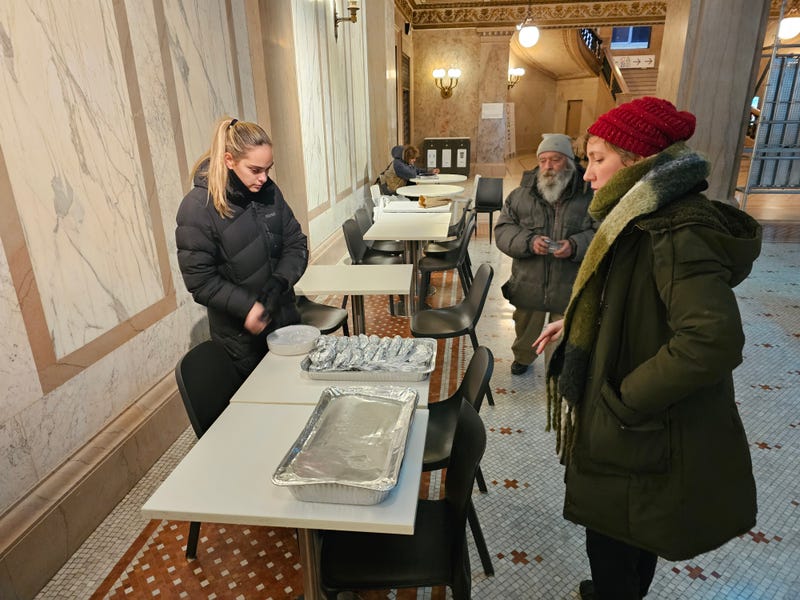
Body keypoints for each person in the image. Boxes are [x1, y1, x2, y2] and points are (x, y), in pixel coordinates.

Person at [533, 97, 761, 600]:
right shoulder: (643, 213)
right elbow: (630, 296)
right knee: (631, 527)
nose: (588, 174)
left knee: (617, 534)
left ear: (635, 161)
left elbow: (711, 340)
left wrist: (625, 400)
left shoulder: (676, 229)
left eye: (597, 159)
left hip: (637, 418)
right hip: (633, 419)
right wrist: (574, 322)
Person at [176, 117, 308, 380]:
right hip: (241, 339)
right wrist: (248, 307)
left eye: (268, 169)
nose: (264, 178)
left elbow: (296, 243)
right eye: (255, 170)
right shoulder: (197, 208)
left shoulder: (269, 192)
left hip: (284, 321)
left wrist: (279, 281)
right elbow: (200, 281)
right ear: (229, 160)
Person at [494, 133, 595, 375]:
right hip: (529, 280)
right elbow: (503, 230)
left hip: (569, 282)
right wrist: (530, 242)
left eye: (556, 159)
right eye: (543, 160)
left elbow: (601, 231)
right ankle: (524, 356)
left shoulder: (590, 195)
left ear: (569, 162)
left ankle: (556, 367)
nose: (548, 166)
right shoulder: (520, 195)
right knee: (526, 325)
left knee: (563, 332)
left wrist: (575, 245)